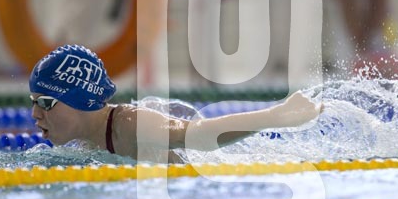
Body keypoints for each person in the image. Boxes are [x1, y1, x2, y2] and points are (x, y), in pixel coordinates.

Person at [29, 45, 322, 163]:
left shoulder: (130, 125)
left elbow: (202, 136)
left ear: (80, 98)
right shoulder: (83, 141)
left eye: (45, 102)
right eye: (34, 102)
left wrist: (275, 116)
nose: (35, 114)